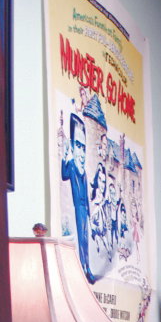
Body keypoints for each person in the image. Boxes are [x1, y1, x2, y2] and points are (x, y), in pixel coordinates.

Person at [61, 113, 93, 282]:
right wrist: (65, 155)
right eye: (79, 146)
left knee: (86, 239)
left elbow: (86, 194)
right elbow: (64, 175)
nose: (82, 152)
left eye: (84, 147)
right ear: (73, 147)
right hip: (77, 208)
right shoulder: (72, 166)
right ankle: (83, 267)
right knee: (80, 238)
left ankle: (87, 266)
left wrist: (89, 212)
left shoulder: (84, 172)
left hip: (84, 209)